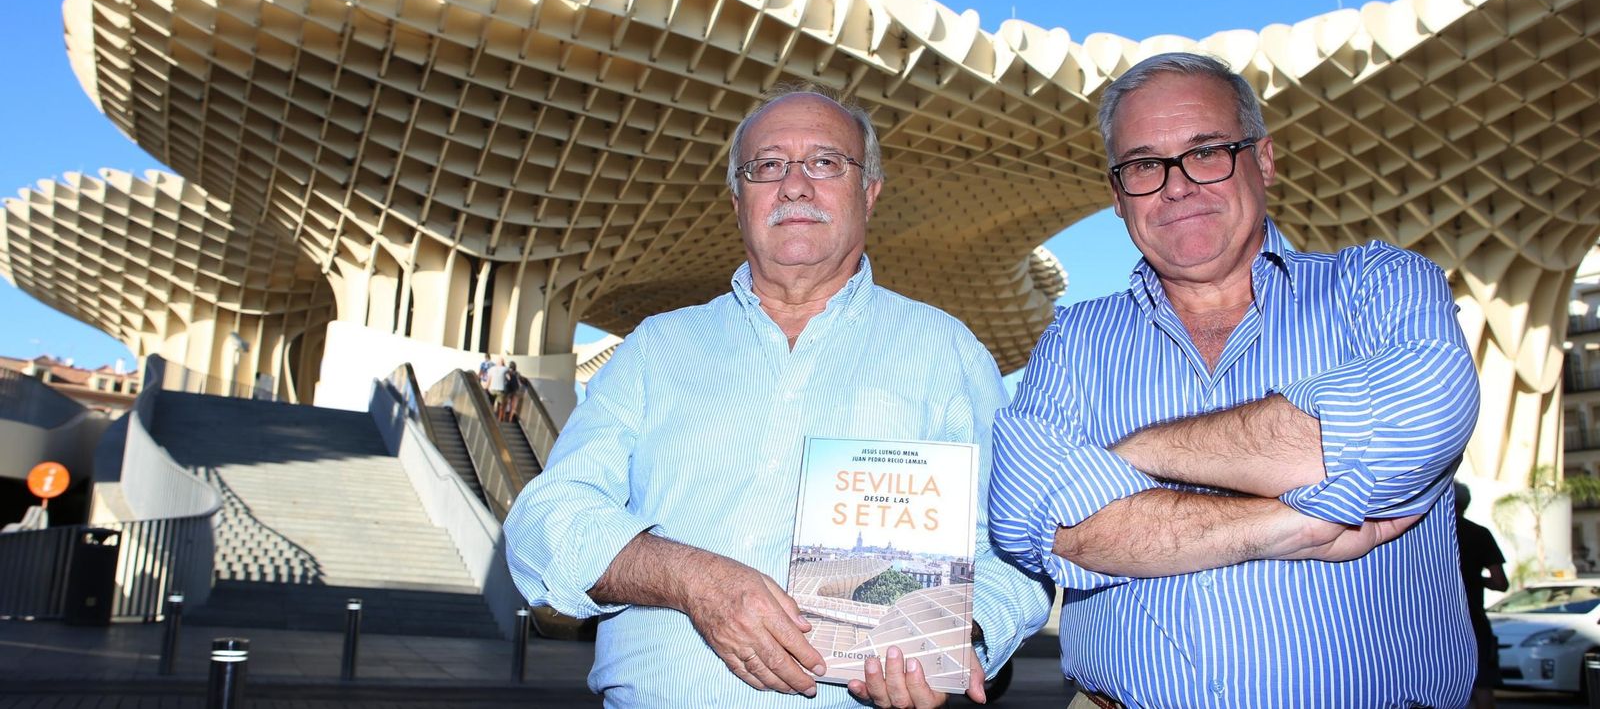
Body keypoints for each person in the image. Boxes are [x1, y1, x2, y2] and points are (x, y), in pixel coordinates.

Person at [503, 87, 1053, 708]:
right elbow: (544, 521)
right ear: (739, 200)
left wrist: (958, 638)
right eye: (767, 165)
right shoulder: (655, 349)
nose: (794, 184)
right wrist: (693, 580)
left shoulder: (946, 353)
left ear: (869, 193)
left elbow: (1016, 545)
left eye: (824, 162)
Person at [988, 52, 1482, 708]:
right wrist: (1292, 523)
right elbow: (1034, 521)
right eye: (1143, 165)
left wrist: (1136, 457)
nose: (1176, 185)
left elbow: (1418, 421)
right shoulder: (1073, 337)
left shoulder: (1381, 284)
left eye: (1207, 151)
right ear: (1117, 194)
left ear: (1265, 159)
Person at [1456, 481, 1508, 709]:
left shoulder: (1427, 533)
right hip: (1473, 620)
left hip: (1431, 619)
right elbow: (1500, 582)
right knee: (1482, 684)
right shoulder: (1479, 533)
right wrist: (1475, 579)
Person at [486, 356, 511, 422]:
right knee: (500, 405)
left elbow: (489, 380)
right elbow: (509, 378)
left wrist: (486, 387)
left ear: (496, 362)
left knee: (491, 404)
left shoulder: (491, 369)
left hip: (491, 389)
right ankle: (499, 419)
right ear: (503, 363)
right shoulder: (505, 369)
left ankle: (490, 417)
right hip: (501, 390)